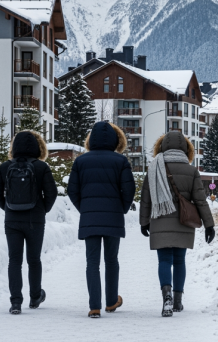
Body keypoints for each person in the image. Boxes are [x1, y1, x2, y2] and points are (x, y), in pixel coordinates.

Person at [140, 131, 215, 317]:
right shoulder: (191, 171)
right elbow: (200, 200)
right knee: (180, 261)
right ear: (186, 148)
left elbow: (146, 199)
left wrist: (144, 222)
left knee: (164, 260)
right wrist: (209, 225)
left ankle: (166, 297)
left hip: (160, 219)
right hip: (184, 222)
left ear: (162, 146)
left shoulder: (154, 168)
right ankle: (177, 301)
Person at [68, 122, 135, 318]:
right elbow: (129, 189)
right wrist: (121, 209)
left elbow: (72, 190)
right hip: (113, 216)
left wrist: (85, 209)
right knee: (111, 260)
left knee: (92, 262)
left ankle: (94, 307)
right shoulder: (120, 161)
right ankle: (112, 301)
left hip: (90, 217)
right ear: (115, 140)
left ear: (91, 139)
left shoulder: (81, 161)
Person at [0, 130, 58, 315]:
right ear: (38, 147)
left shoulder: (5, 167)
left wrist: (9, 208)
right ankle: (35, 297)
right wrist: (42, 210)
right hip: (35, 220)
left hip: (12, 221)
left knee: (14, 260)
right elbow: (51, 193)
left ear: (14, 147)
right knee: (34, 260)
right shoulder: (41, 167)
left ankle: (15, 302)